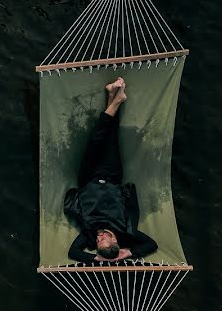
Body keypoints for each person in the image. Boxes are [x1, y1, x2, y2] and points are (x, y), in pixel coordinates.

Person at [64, 77, 158, 264]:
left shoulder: (89, 235)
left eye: (98, 243)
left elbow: (73, 252)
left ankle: (116, 98)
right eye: (103, 240)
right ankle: (113, 96)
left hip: (88, 178)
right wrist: (129, 252)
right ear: (114, 240)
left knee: (96, 140)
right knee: (110, 137)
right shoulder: (125, 231)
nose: (98, 239)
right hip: (112, 176)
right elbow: (151, 245)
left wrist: (95, 258)